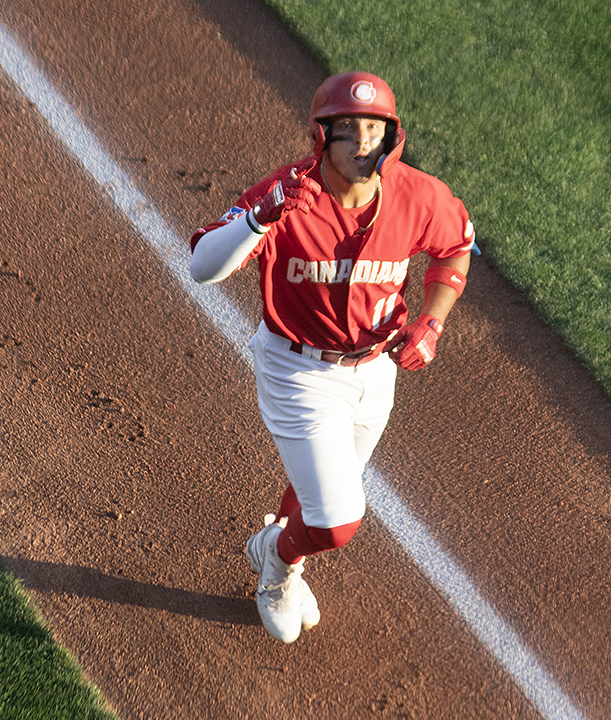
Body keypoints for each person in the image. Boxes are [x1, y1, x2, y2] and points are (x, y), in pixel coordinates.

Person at [189, 71, 473, 643]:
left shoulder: (419, 195)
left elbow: (454, 250)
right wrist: (259, 217)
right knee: (337, 520)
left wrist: (432, 322)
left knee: (323, 489)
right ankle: (274, 554)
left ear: (392, 136)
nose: (362, 141)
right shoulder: (289, 194)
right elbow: (203, 266)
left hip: (376, 370)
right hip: (298, 370)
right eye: (348, 129)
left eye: (374, 128)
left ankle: (286, 559)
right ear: (322, 136)